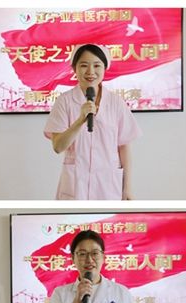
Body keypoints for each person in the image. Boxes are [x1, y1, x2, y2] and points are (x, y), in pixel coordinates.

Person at [44, 44, 142, 200]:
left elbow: (124, 147)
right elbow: (58, 146)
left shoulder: (116, 102)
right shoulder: (64, 101)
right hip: (76, 185)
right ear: (74, 68)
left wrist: (127, 189)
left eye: (97, 65)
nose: (90, 71)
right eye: (84, 65)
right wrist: (80, 121)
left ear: (105, 68)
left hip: (109, 184)